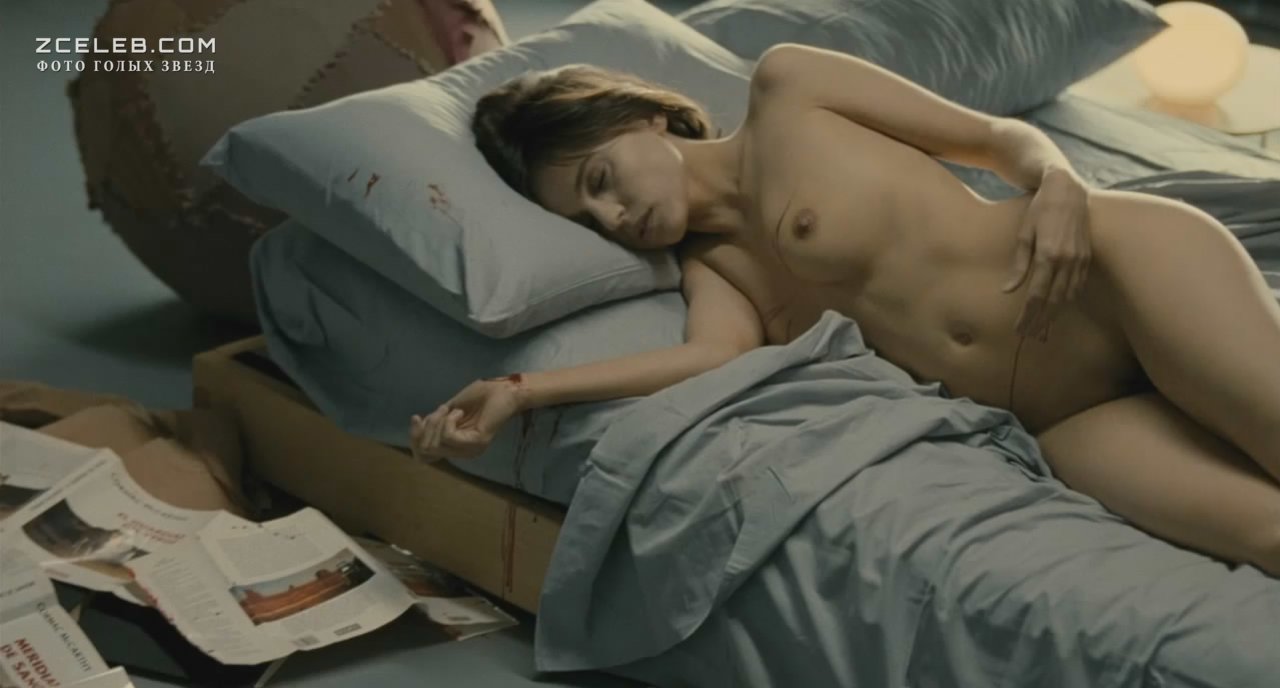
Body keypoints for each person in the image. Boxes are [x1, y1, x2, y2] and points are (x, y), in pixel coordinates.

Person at [411, 44, 1280, 575]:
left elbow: (992, 138)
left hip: (1111, 272)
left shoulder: (792, 89)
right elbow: (711, 359)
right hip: (1066, 417)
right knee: (1266, 538)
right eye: (587, 218)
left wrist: (1059, 182)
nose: (612, 217)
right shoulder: (712, 269)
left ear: (643, 117)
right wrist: (520, 391)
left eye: (600, 179)